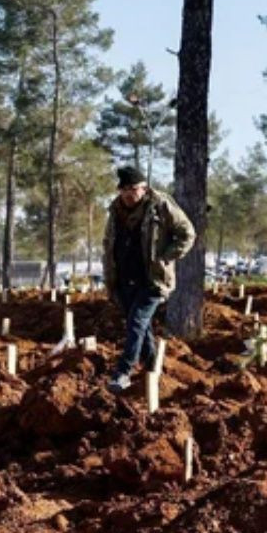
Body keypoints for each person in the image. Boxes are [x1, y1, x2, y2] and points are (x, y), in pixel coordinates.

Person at [101, 165, 196, 391]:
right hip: (124, 278)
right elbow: (108, 245)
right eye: (124, 189)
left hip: (152, 279)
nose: (128, 194)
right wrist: (110, 279)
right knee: (141, 328)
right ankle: (153, 368)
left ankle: (123, 372)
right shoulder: (114, 211)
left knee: (136, 323)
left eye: (133, 189)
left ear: (143, 188)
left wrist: (165, 257)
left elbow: (187, 233)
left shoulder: (161, 205)